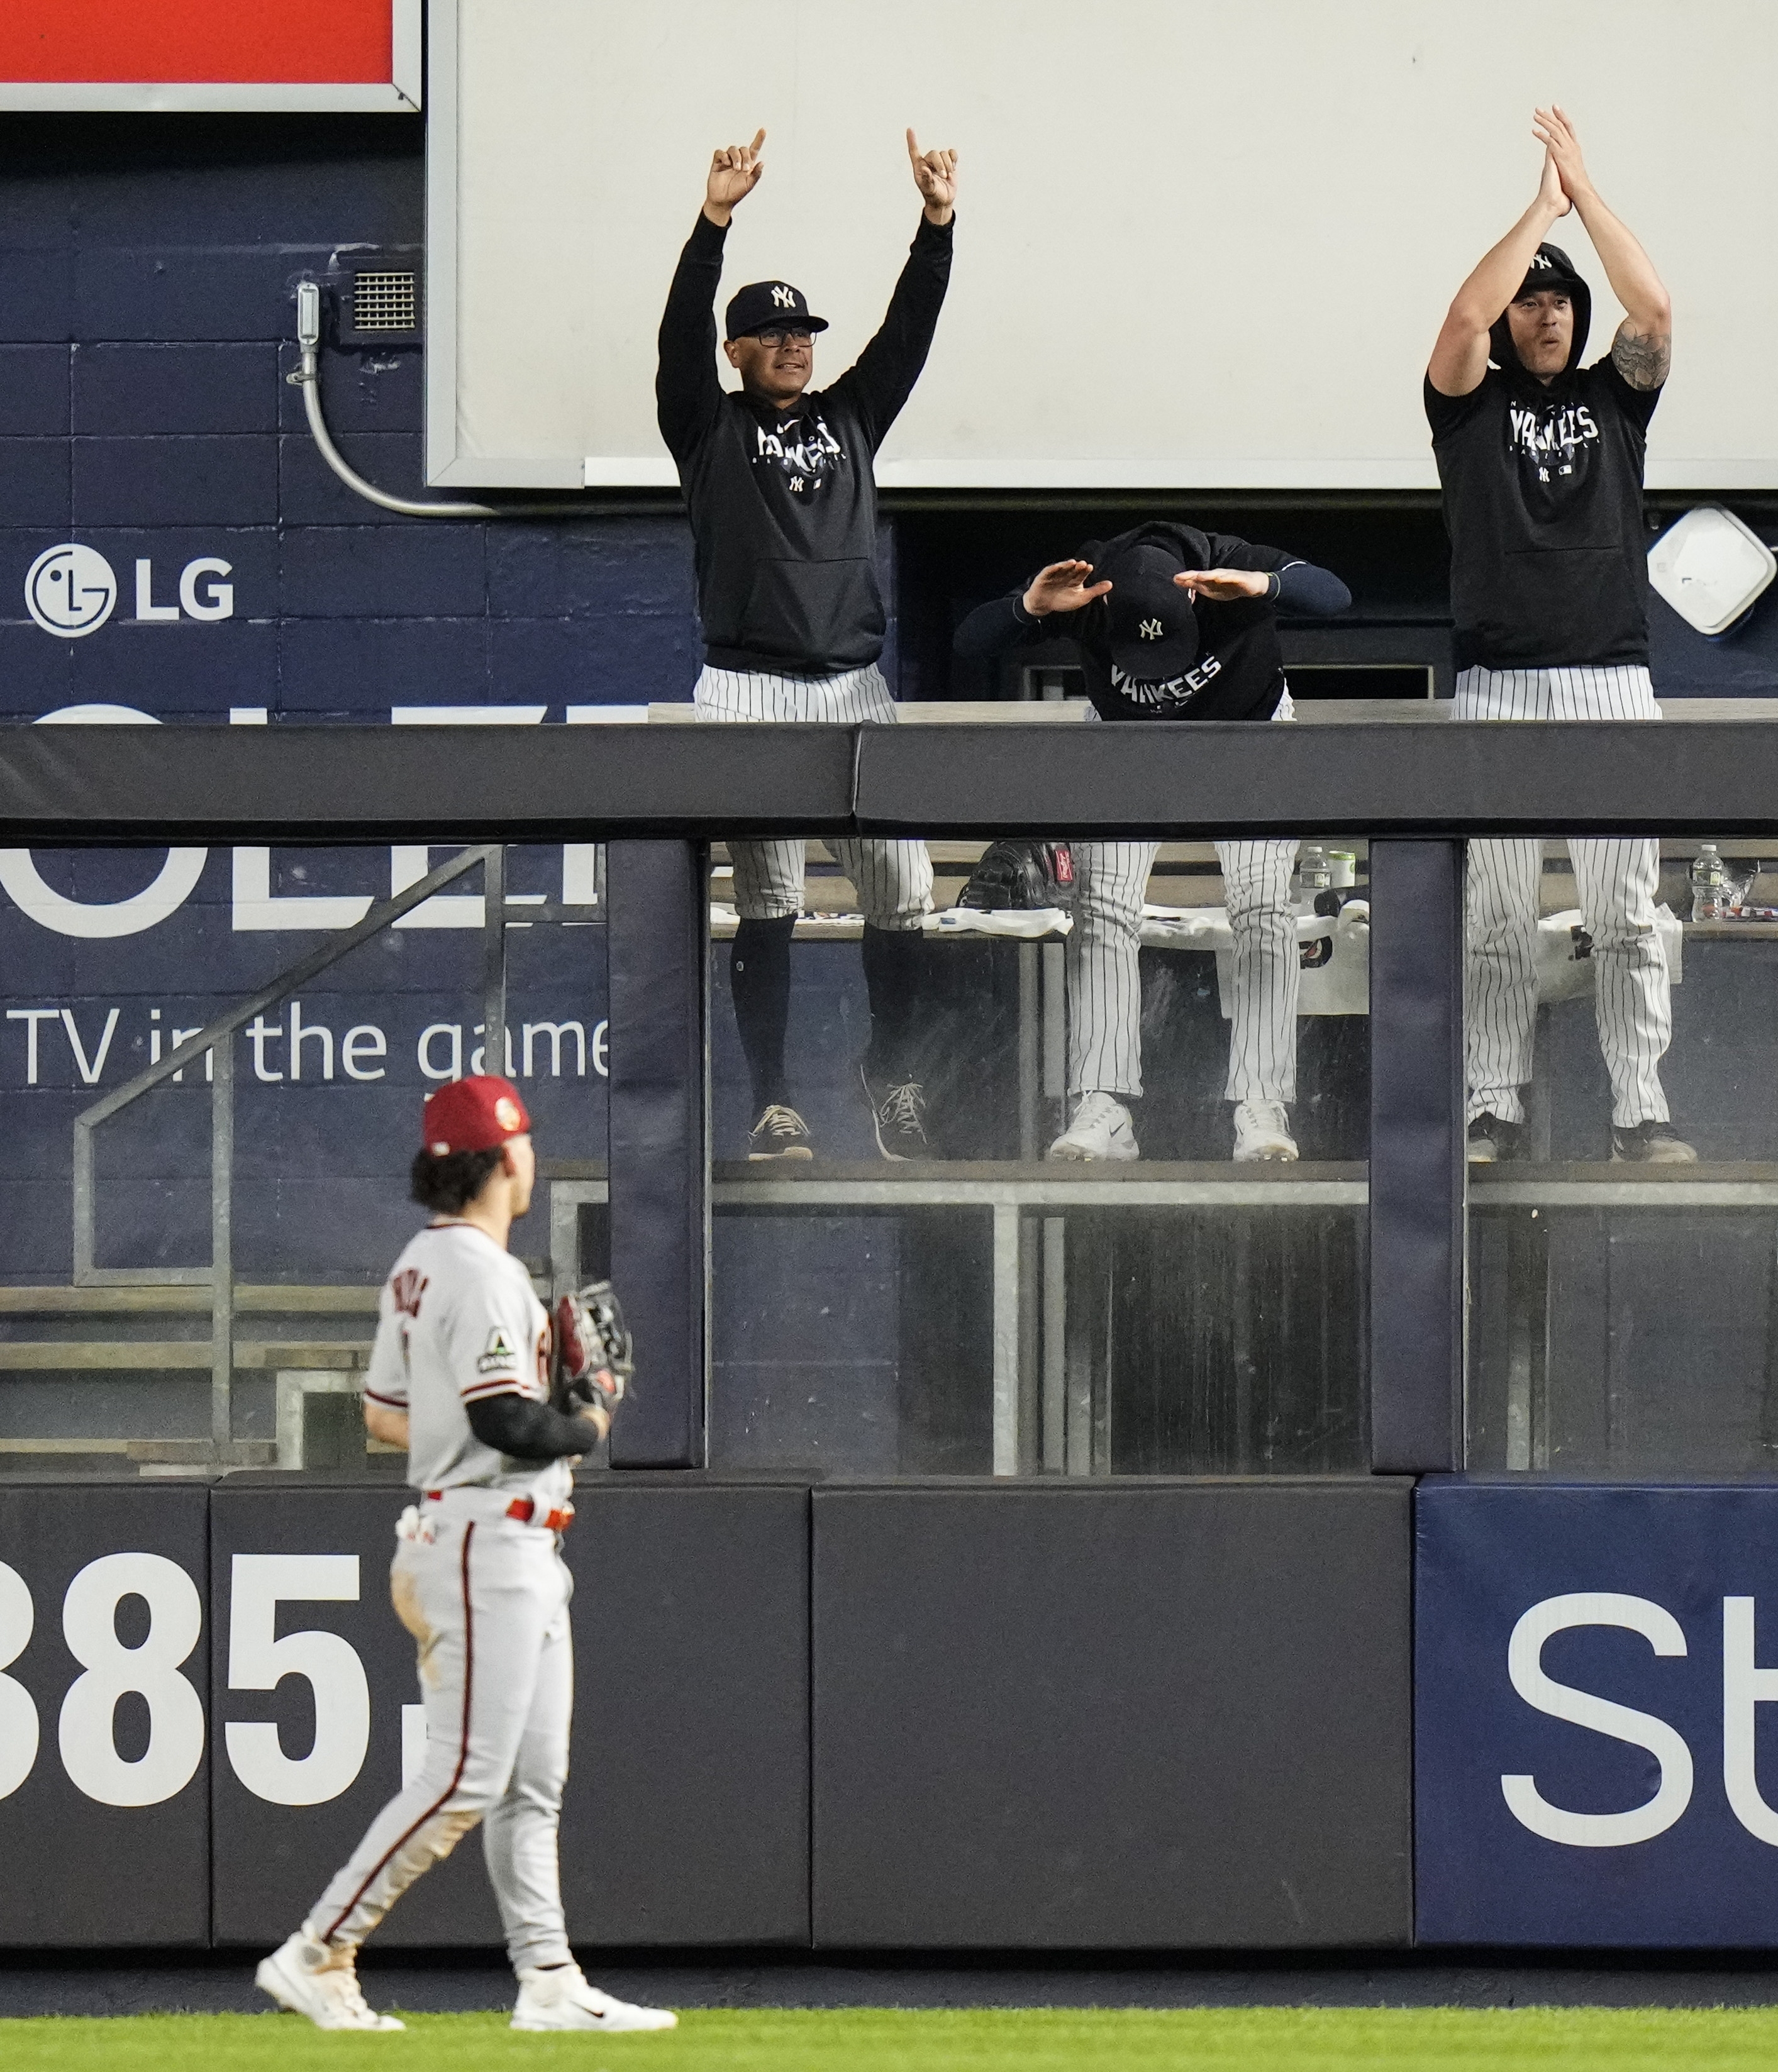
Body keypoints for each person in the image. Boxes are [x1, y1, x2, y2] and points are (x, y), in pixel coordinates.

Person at [255, 1077, 669, 2035]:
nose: (531, 1160)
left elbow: (386, 1418)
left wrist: (537, 1402)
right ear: (501, 1157)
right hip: (487, 1536)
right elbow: (504, 1419)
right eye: (523, 1145)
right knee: (465, 1776)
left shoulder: (416, 1262)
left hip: (487, 1530)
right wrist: (590, 1409)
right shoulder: (483, 1272)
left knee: (529, 1780)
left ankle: (550, 1978)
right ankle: (319, 1948)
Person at [658, 126, 960, 1161]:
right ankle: (775, 1099)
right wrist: (714, 223)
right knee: (772, 897)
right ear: (737, 351)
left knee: (906, 888)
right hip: (746, 689)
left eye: (803, 333)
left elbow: (907, 336)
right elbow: (674, 341)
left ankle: (893, 1072)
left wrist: (935, 226)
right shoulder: (709, 428)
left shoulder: (850, 416)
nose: (793, 344)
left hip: (853, 691)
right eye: (771, 334)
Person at [1428, 108, 1695, 1165]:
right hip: (1497, 683)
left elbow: (1657, 305)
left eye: (1560, 301)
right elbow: (1458, 319)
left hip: (1609, 681)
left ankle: (1640, 1106)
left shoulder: (1614, 401)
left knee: (1626, 914)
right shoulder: (1468, 407)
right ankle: (1496, 1102)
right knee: (1495, 918)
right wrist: (1535, 210)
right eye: (1530, 301)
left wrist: (1583, 196)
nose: (1546, 315)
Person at [953, 524, 1352, 1162]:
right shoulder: (1089, 584)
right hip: (1127, 737)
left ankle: (1261, 1100)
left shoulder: (1229, 568)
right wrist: (1028, 607)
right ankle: (1103, 1104)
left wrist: (1265, 584)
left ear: (1193, 602)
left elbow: (1335, 597)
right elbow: (970, 639)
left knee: (1262, 905)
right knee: (1104, 905)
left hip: (1246, 731)